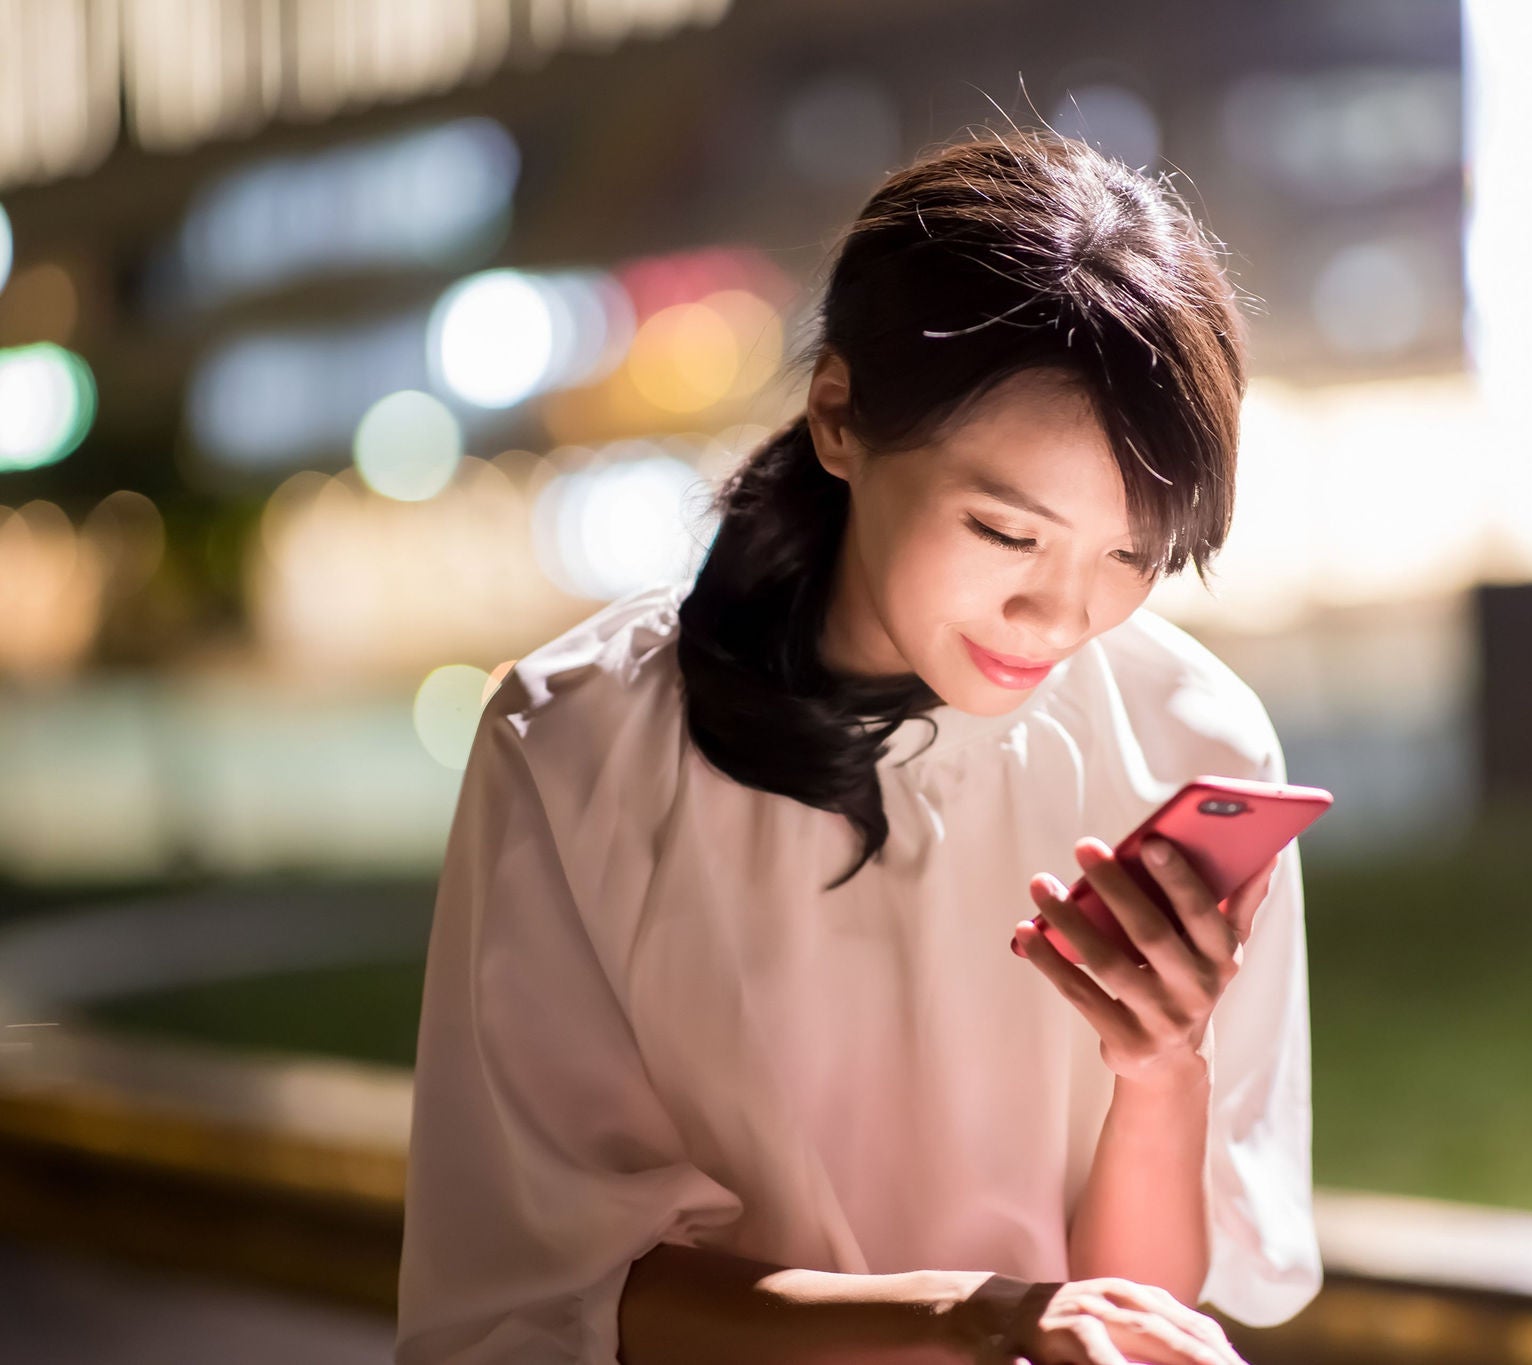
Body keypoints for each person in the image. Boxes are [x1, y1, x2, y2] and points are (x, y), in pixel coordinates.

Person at [396, 127, 1321, 1365]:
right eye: (1005, 531)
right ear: (838, 415)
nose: (1061, 617)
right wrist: (968, 1322)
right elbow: (545, 1295)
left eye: (1132, 556)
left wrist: (1161, 1073)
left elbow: (1144, 1318)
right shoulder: (579, 745)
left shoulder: (1187, 744)